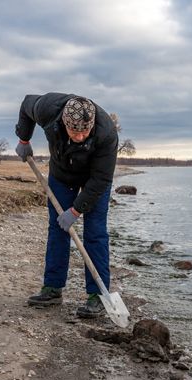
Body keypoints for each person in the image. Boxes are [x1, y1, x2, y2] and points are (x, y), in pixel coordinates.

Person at [15, 93, 118, 318]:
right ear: (63, 122)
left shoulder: (107, 134)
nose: (80, 137)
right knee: (58, 228)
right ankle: (52, 288)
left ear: (92, 125)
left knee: (96, 232)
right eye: (74, 131)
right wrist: (24, 139)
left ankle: (98, 296)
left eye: (85, 131)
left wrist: (76, 210)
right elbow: (25, 105)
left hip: (93, 180)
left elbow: (101, 180)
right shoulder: (47, 109)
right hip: (62, 175)